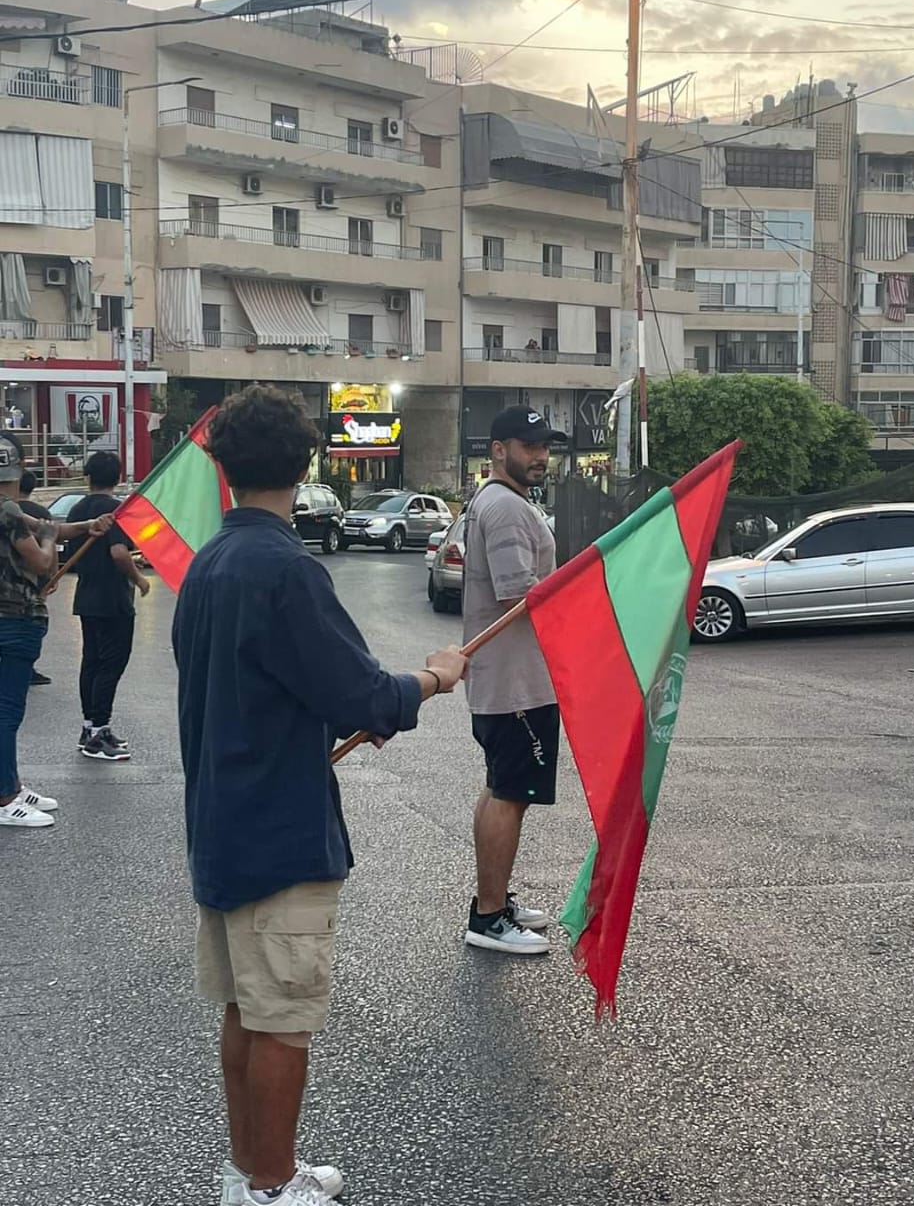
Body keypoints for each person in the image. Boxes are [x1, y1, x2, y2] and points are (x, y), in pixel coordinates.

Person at [172, 385, 468, 1206]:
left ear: (224, 468)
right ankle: (272, 1185)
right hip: (279, 829)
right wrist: (434, 677)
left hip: (223, 819)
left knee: (247, 1008)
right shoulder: (285, 569)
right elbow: (360, 695)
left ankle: (250, 1171)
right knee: (283, 1021)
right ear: (306, 467)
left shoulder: (208, 564)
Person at [462, 405, 566, 956]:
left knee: (500, 789)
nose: (540, 456)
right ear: (499, 450)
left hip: (507, 680)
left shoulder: (500, 500)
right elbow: (517, 595)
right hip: (516, 683)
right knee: (509, 795)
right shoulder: (504, 508)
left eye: (544, 446)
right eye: (529, 446)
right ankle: (488, 919)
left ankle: (494, 901)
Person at [0, 434, 113, 828]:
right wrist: (49, 542)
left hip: (10, 619)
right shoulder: (7, 510)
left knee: (7, 710)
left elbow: (50, 527)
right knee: (7, 712)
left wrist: (87, 526)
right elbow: (42, 558)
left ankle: (11, 784)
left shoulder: (10, 512)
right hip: (13, 618)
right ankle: (5, 797)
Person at [67, 451, 150, 761]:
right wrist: (138, 578)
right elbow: (118, 552)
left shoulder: (77, 510)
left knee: (91, 661)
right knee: (111, 663)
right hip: (113, 598)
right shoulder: (115, 511)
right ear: (117, 477)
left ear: (88, 476)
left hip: (86, 594)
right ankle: (99, 733)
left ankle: (90, 727)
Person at [18, 469, 53, 686]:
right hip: (35, 578)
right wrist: (52, 575)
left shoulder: (8, 509)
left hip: (8, 580)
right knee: (33, 621)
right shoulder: (40, 512)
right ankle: (27, 668)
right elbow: (51, 541)